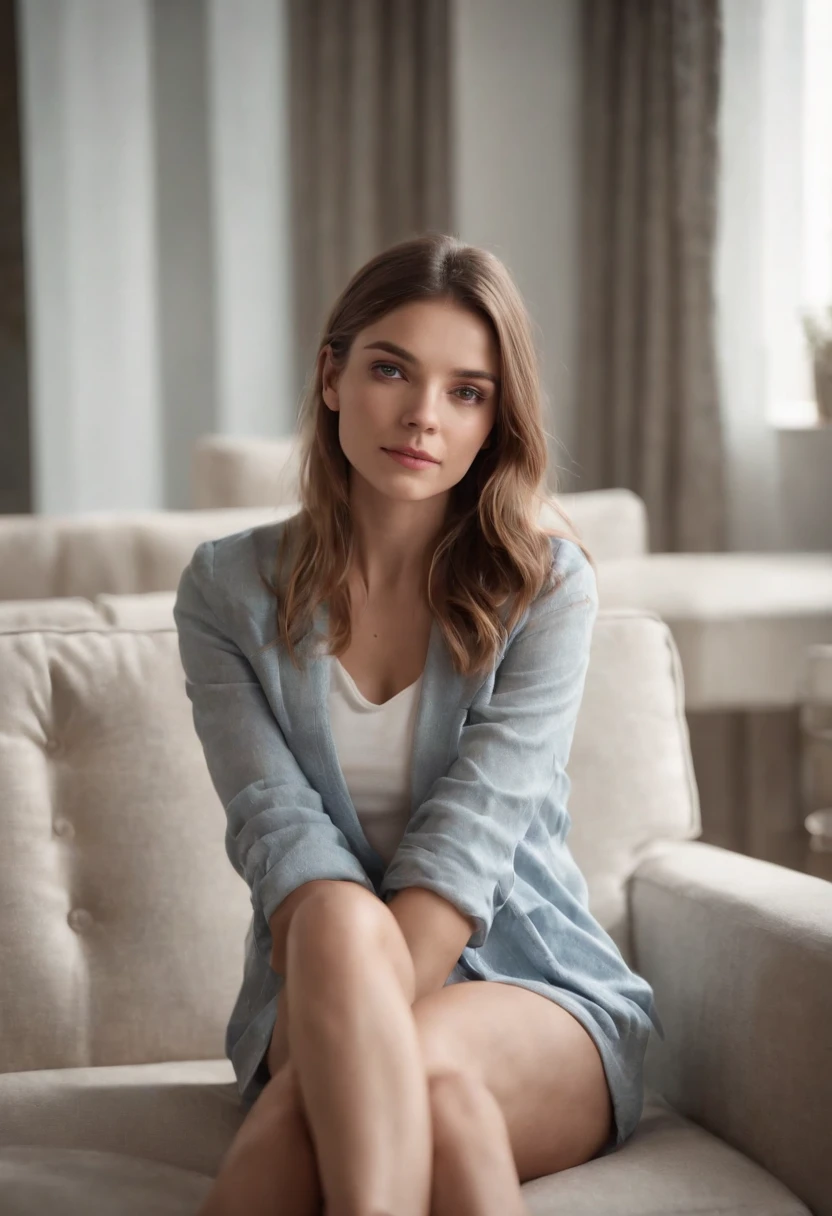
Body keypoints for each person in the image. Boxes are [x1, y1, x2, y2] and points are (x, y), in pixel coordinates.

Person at [174, 231, 664, 1216]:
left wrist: (351, 1048)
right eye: (390, 369)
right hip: (316, 981)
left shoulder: (545, 587)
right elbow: (279, 837)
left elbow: (467, 846)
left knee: (413, 1081)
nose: (421, 415)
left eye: (466, 391)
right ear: (331, 376)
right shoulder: (226, 590)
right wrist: (343, 1017)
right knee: (337, 916)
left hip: (535, 991)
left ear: (495, 419)